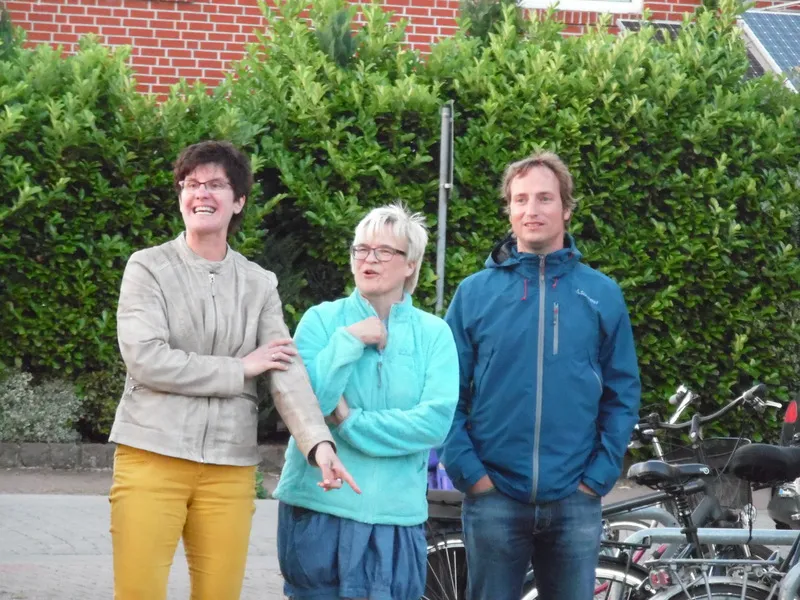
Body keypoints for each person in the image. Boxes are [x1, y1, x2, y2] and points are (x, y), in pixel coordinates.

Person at [109, 140, 357, 600]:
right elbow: (146, 359)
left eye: (215, 184)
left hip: (230, 465)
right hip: (151, 454)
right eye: (191, 183)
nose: (201, 193)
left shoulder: (259, 283)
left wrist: (318, 443)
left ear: (238, 201)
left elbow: (284, 370)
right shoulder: (147, 267)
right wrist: (240, 368)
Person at [440, 151, 641, 600]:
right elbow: (445, 391)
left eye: (545, 198)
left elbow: (622, 392)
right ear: (509, 210)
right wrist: (470, 473)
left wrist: (598, 476)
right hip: (493, 495)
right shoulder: (474, 294)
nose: (532, 209)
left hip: (575, 497)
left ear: (566, 209)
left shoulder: (601, 294)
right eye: (521, 199)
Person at [274, 203, 460, 600]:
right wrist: (349, 340)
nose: (368, 259)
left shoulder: (435, 335)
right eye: (361, 248)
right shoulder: (321, 321)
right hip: (320, 510)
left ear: (410, 264)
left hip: (397, 520)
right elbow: (307, 409)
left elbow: (432, 425)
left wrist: (349, 421)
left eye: (384, 251)